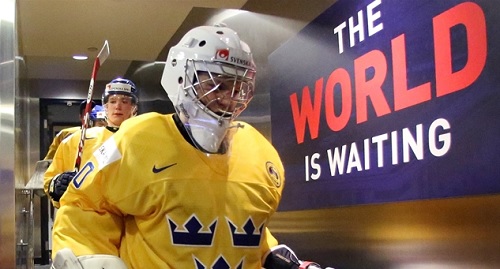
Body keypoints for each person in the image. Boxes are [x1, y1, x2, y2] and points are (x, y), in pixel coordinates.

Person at [52, 25, 331, 269]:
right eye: (217, 85)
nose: (227, 99)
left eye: (237, 87)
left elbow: (240, 223)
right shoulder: (138, 139)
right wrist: (89, 255)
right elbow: (84, 206)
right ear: (183, 78)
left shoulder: (259, 151)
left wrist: (271, 253)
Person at [43, 78, 139, 208]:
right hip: (83, 222)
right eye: (112, 101)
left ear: (134, 107)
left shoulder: (143, 141)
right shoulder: (75, 140)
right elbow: (50, 180)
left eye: (124, 101)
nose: (117, 106)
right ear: (105, 106)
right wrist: (57, 185)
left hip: (129, 220)